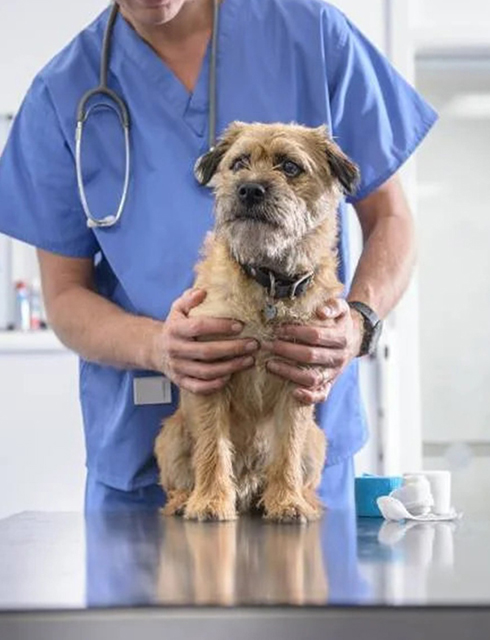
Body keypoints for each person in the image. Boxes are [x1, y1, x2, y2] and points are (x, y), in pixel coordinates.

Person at [0, 0, 437, 512]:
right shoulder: (62, 91)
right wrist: (158, 347)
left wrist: (359, 323)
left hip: (300, 450)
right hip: (151, 458)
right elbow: (64, 294)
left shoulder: (312, 32)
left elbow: (391, 219)